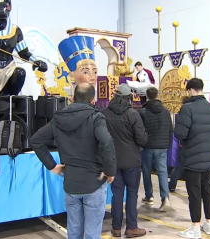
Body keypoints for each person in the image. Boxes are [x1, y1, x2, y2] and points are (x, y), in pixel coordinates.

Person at [30, 83, 117, 239]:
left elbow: (36, 140)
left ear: (72, 98)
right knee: (92, 232)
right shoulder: (96, 117)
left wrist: (52, 165)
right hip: (94, 182)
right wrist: (110, 170)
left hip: (70, 183)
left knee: (74, 231)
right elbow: (107, 142)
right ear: (93, 99)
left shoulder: (58, 119)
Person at [174, 78, 210, 238]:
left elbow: (181, 134)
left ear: (190, 90)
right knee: (207, 190)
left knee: (194, 192)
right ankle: (209, 224)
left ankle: (195, 227)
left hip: (193, 157)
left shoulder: (187, 109)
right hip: (208, 157)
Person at [102, 84, 148, 238]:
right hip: (131, 161)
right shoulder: (133, 114)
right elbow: (141, 139)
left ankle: (116, 228)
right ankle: (131, 227)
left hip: (112, 161)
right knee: (132, 193)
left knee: (117, 194)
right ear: (129, 97)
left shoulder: (105, 114)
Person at [139, 87, 173, 211]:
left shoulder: (142, 112)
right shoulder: (165, 111)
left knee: (147, 171)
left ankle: (149, 196)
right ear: (157, 95)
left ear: (147, 96)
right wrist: (168, 145)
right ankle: (165, 198)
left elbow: (140, 130)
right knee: (162, 171)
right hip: (162, 146)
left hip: (148, 146)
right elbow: (170, 129)